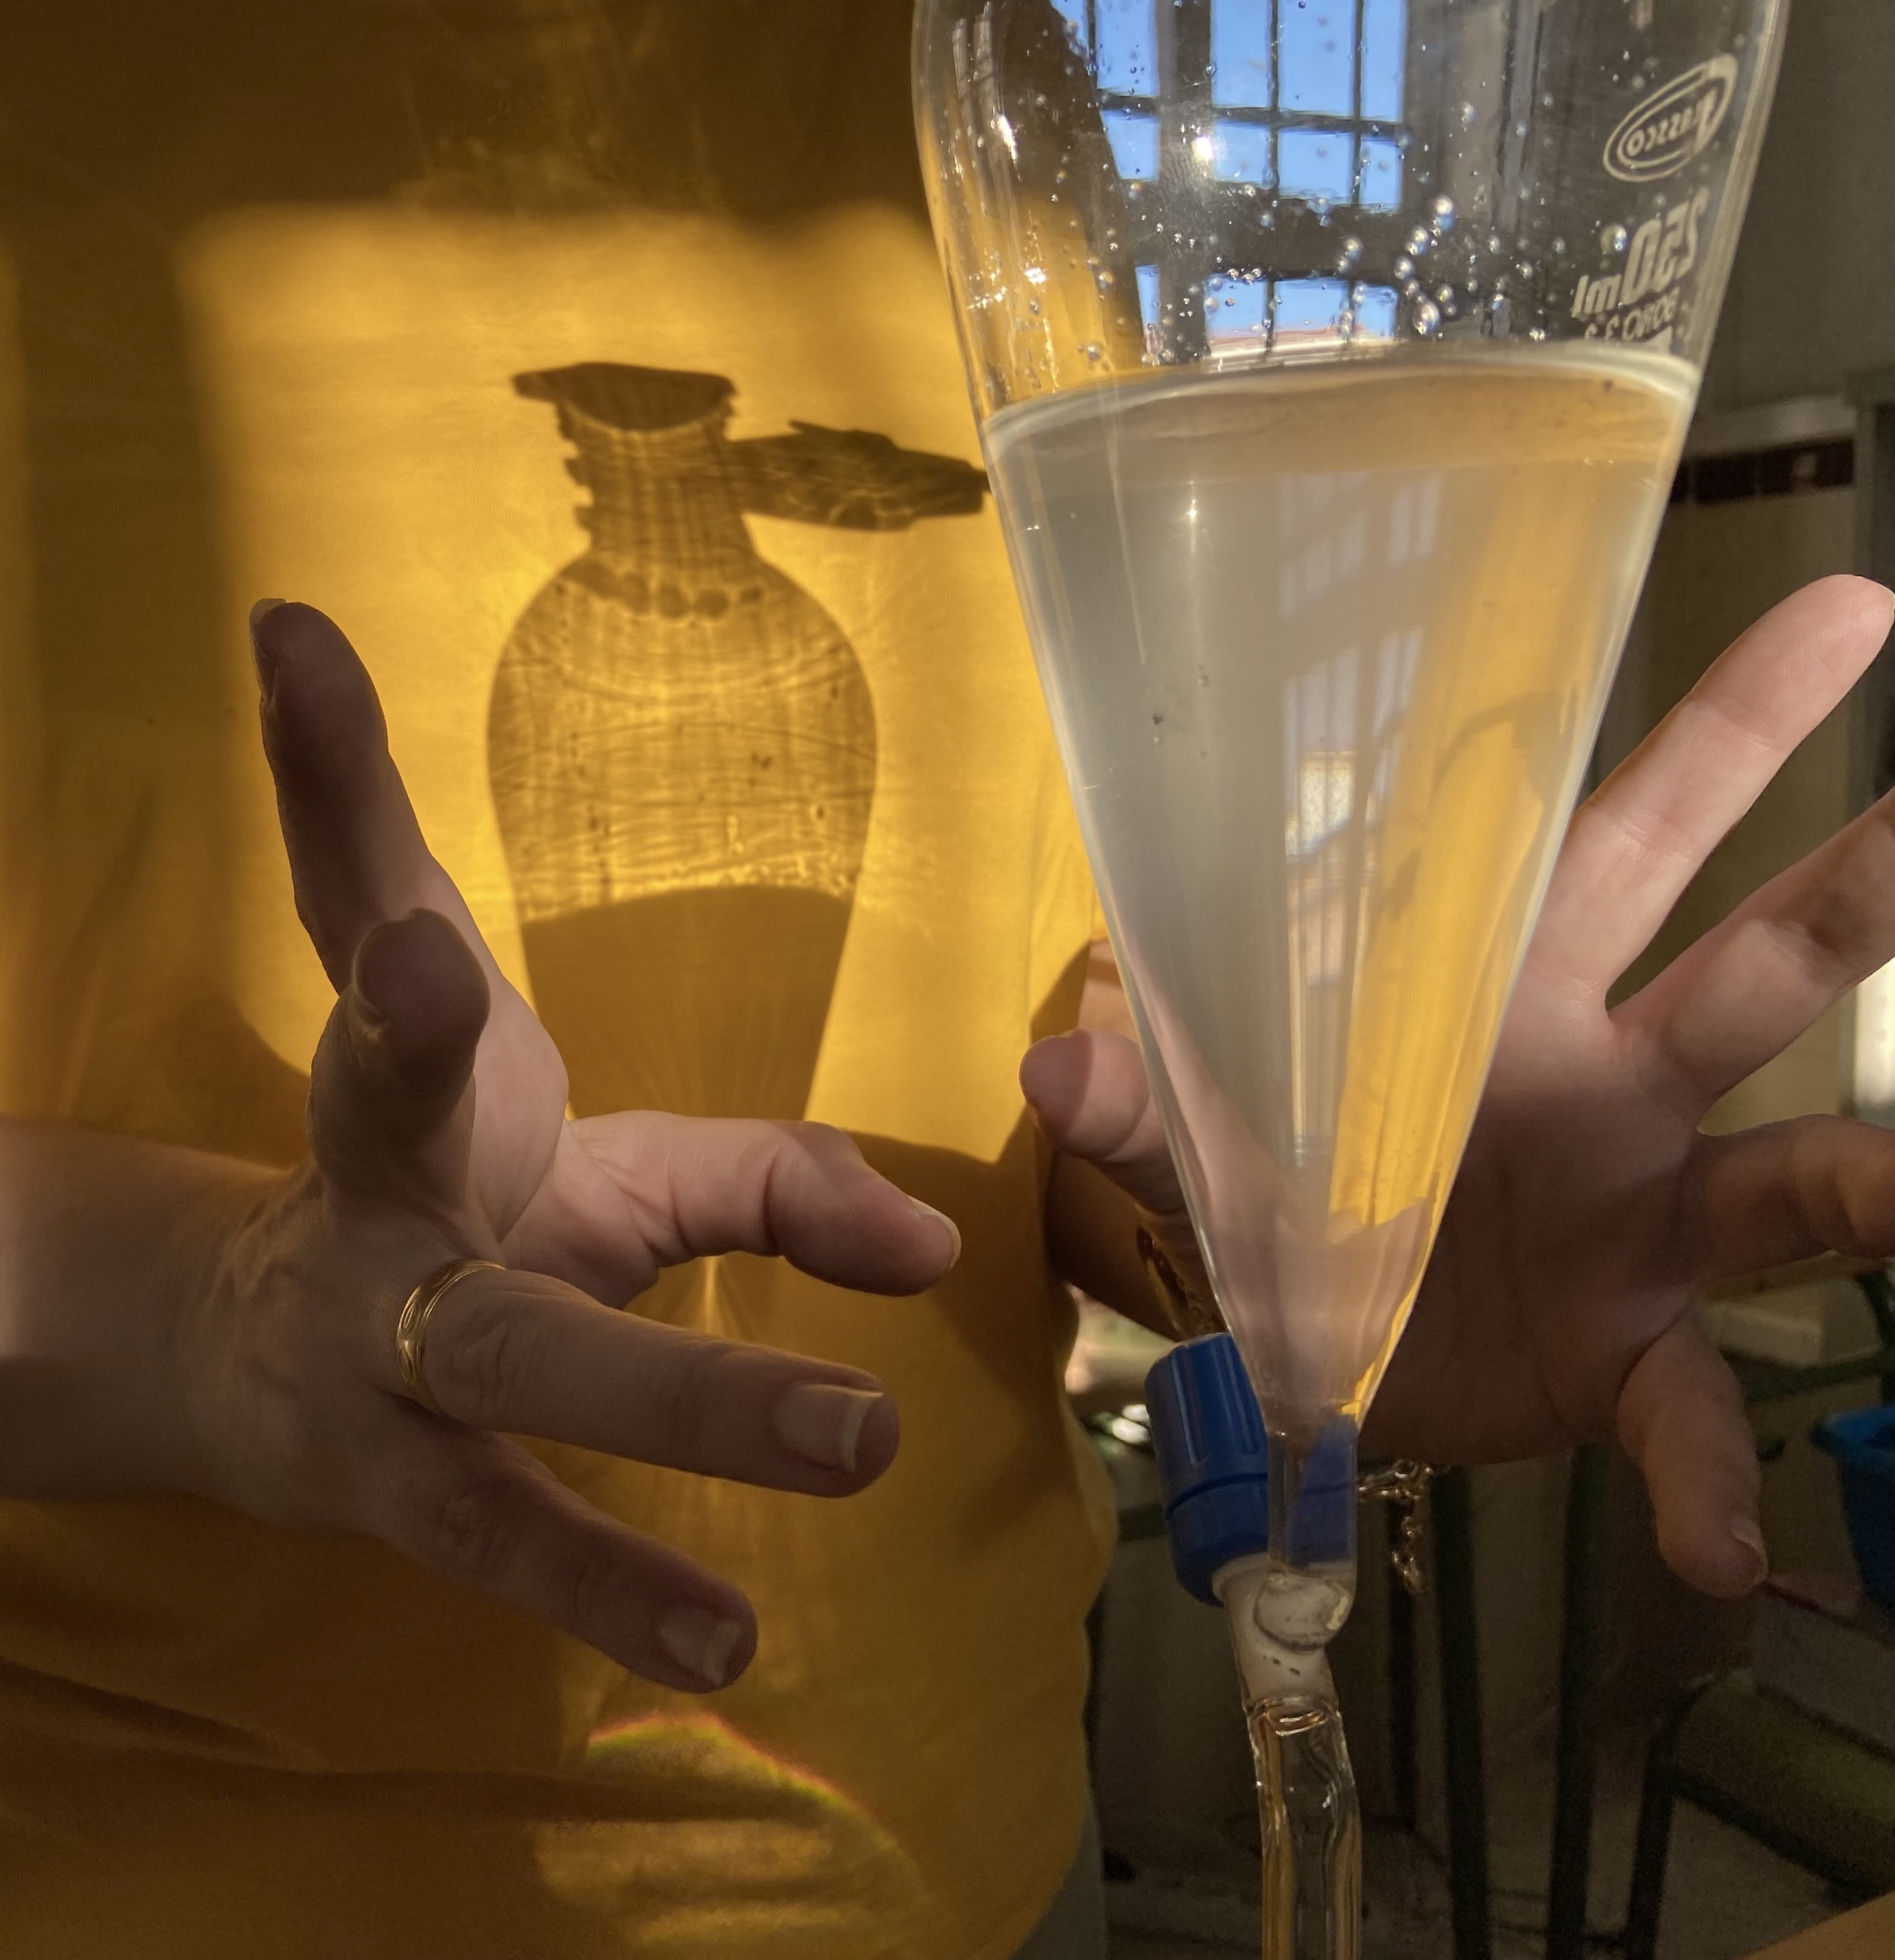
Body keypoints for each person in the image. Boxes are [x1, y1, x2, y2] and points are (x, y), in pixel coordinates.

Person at [0, 8, 1889, 1958]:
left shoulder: (992, 105)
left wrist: (1311, 1192)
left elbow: (1037, 1066)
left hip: (975, 1845)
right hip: (186, 1879)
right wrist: (201, 1313)